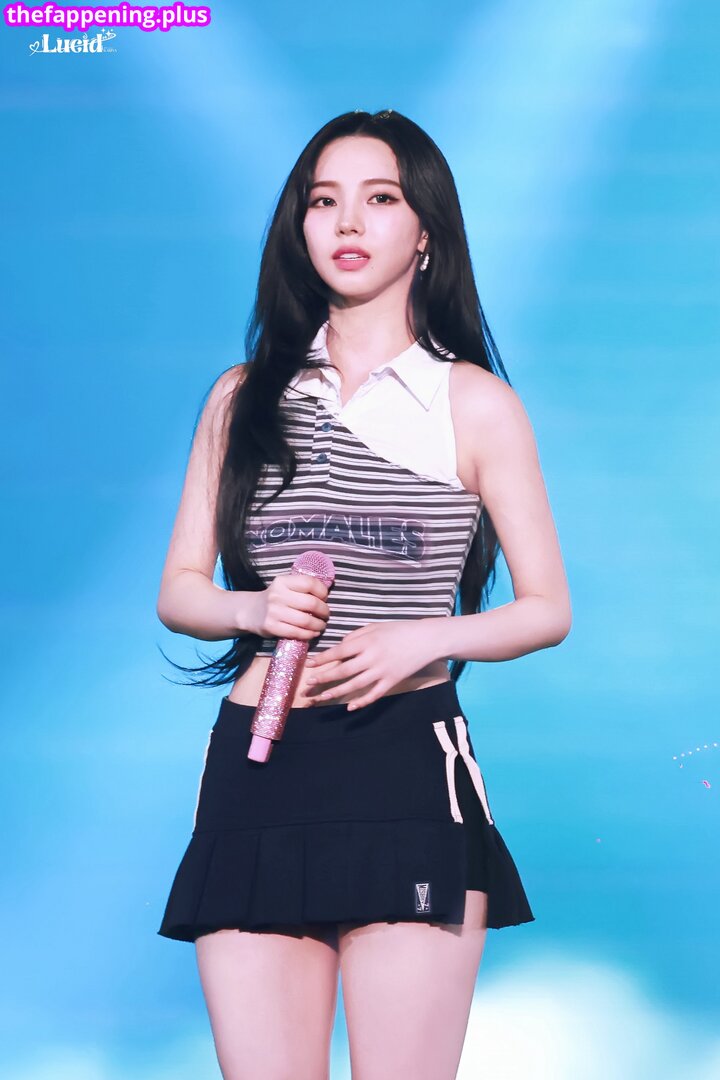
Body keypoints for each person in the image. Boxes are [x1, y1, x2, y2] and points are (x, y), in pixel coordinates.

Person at [155, 109, 572, 1080]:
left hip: (406, 766)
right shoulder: (243, 397)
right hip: (259, 768)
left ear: (425, 231)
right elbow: (180, 589)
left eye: (380, 198)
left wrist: (420, 640)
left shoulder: (474, 403)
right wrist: (252, 609)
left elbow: (547, 607)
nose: (348, 221)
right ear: (298, 227)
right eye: (323, 201)